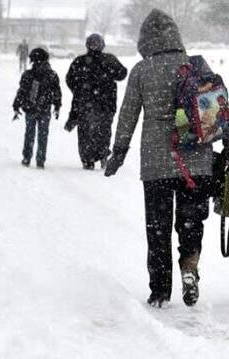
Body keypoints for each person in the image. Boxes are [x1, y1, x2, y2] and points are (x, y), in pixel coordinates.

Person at [105, 10, 213, 308]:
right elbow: (216, 110)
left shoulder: (142, 70)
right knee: (191, 222)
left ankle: (160, 290)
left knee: (158, 227)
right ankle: (189, 268)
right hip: (197, 161)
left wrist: (119, 151)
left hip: (157, 163)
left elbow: (127, 115)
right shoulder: (194, 65)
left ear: (145, 40)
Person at [65, 34, 128, 170]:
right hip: (106, 104)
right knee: (103, 131)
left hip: (84, 104)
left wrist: (79, 90)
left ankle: (87, 159)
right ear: (102, 45)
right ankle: (103, 153)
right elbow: (122, 74)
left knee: (85, 133)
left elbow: (69, 79)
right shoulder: (109, 59)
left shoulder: (79, 61)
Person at [12, 48, 62, 169]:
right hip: (45, 108)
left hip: (30, 108)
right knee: (43, 135)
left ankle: (27, 157)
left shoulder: (28, 74)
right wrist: (57, 105)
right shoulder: (52, 75)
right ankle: (40, 159)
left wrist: (16, 105)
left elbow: (22, 91)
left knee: (29, 133)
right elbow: (57, 92)